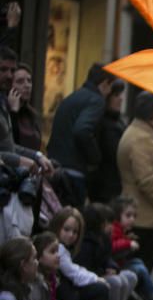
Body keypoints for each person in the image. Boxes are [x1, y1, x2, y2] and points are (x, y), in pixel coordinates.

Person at [116, 92, 153, 275]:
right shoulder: (140, 138)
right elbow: (146, 180)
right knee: (142, 266)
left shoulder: (146, 134)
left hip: (149, 215)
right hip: (144, 216)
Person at [47, 62, 116, 207]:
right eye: (110, 87)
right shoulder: (96, 101)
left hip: (56, 166)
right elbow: (82, 130)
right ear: (104, 84)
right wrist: (95, 157)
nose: (110, 92)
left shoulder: (73, 97)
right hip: (74, 171)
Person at [110, 195, 153, 300]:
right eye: (128, 216)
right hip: (113, 268)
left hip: (118, 265)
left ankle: (152, 296)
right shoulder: (114, 229)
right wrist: (128, 244)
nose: (132, 219)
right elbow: (112, 245)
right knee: (138, 267)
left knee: (138, 263)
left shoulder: (122, 230)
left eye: (134, 216)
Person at [88, 79, 126, 203]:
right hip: (105, 186)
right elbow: (114, 152)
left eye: (121, 95)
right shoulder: (102, 122)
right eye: (116, 95)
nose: (120, 99)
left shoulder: (118, 121)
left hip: (115, 184)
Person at [10, 63, 42, 151]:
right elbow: (10, 146)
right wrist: (13, 112)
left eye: (29, 81)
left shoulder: (31, 114)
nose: (27, 85)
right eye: (20, 81)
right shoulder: (6, 113)